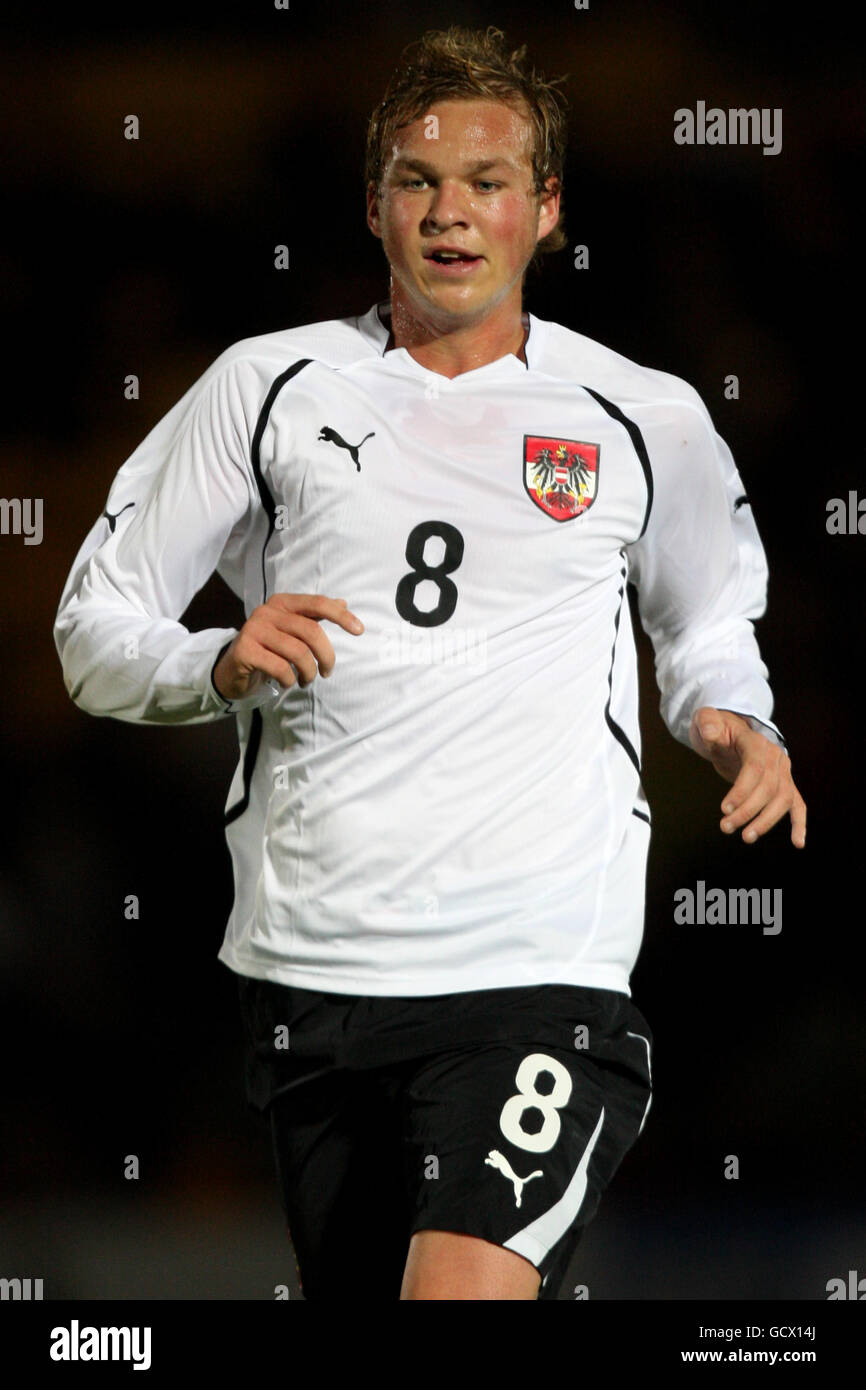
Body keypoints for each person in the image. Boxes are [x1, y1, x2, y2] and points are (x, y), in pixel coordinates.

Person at [54, 25, 806, 1300]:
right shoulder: (267, 389)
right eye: (417, 180)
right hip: (311, 973)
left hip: (534, 968)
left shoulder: (643, 414)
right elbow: (93, 628)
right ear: (373, 205)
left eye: (488, 182)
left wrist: (735, 720)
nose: (450, 213)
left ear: (546, 209)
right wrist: (213, 664)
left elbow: (703, 620)